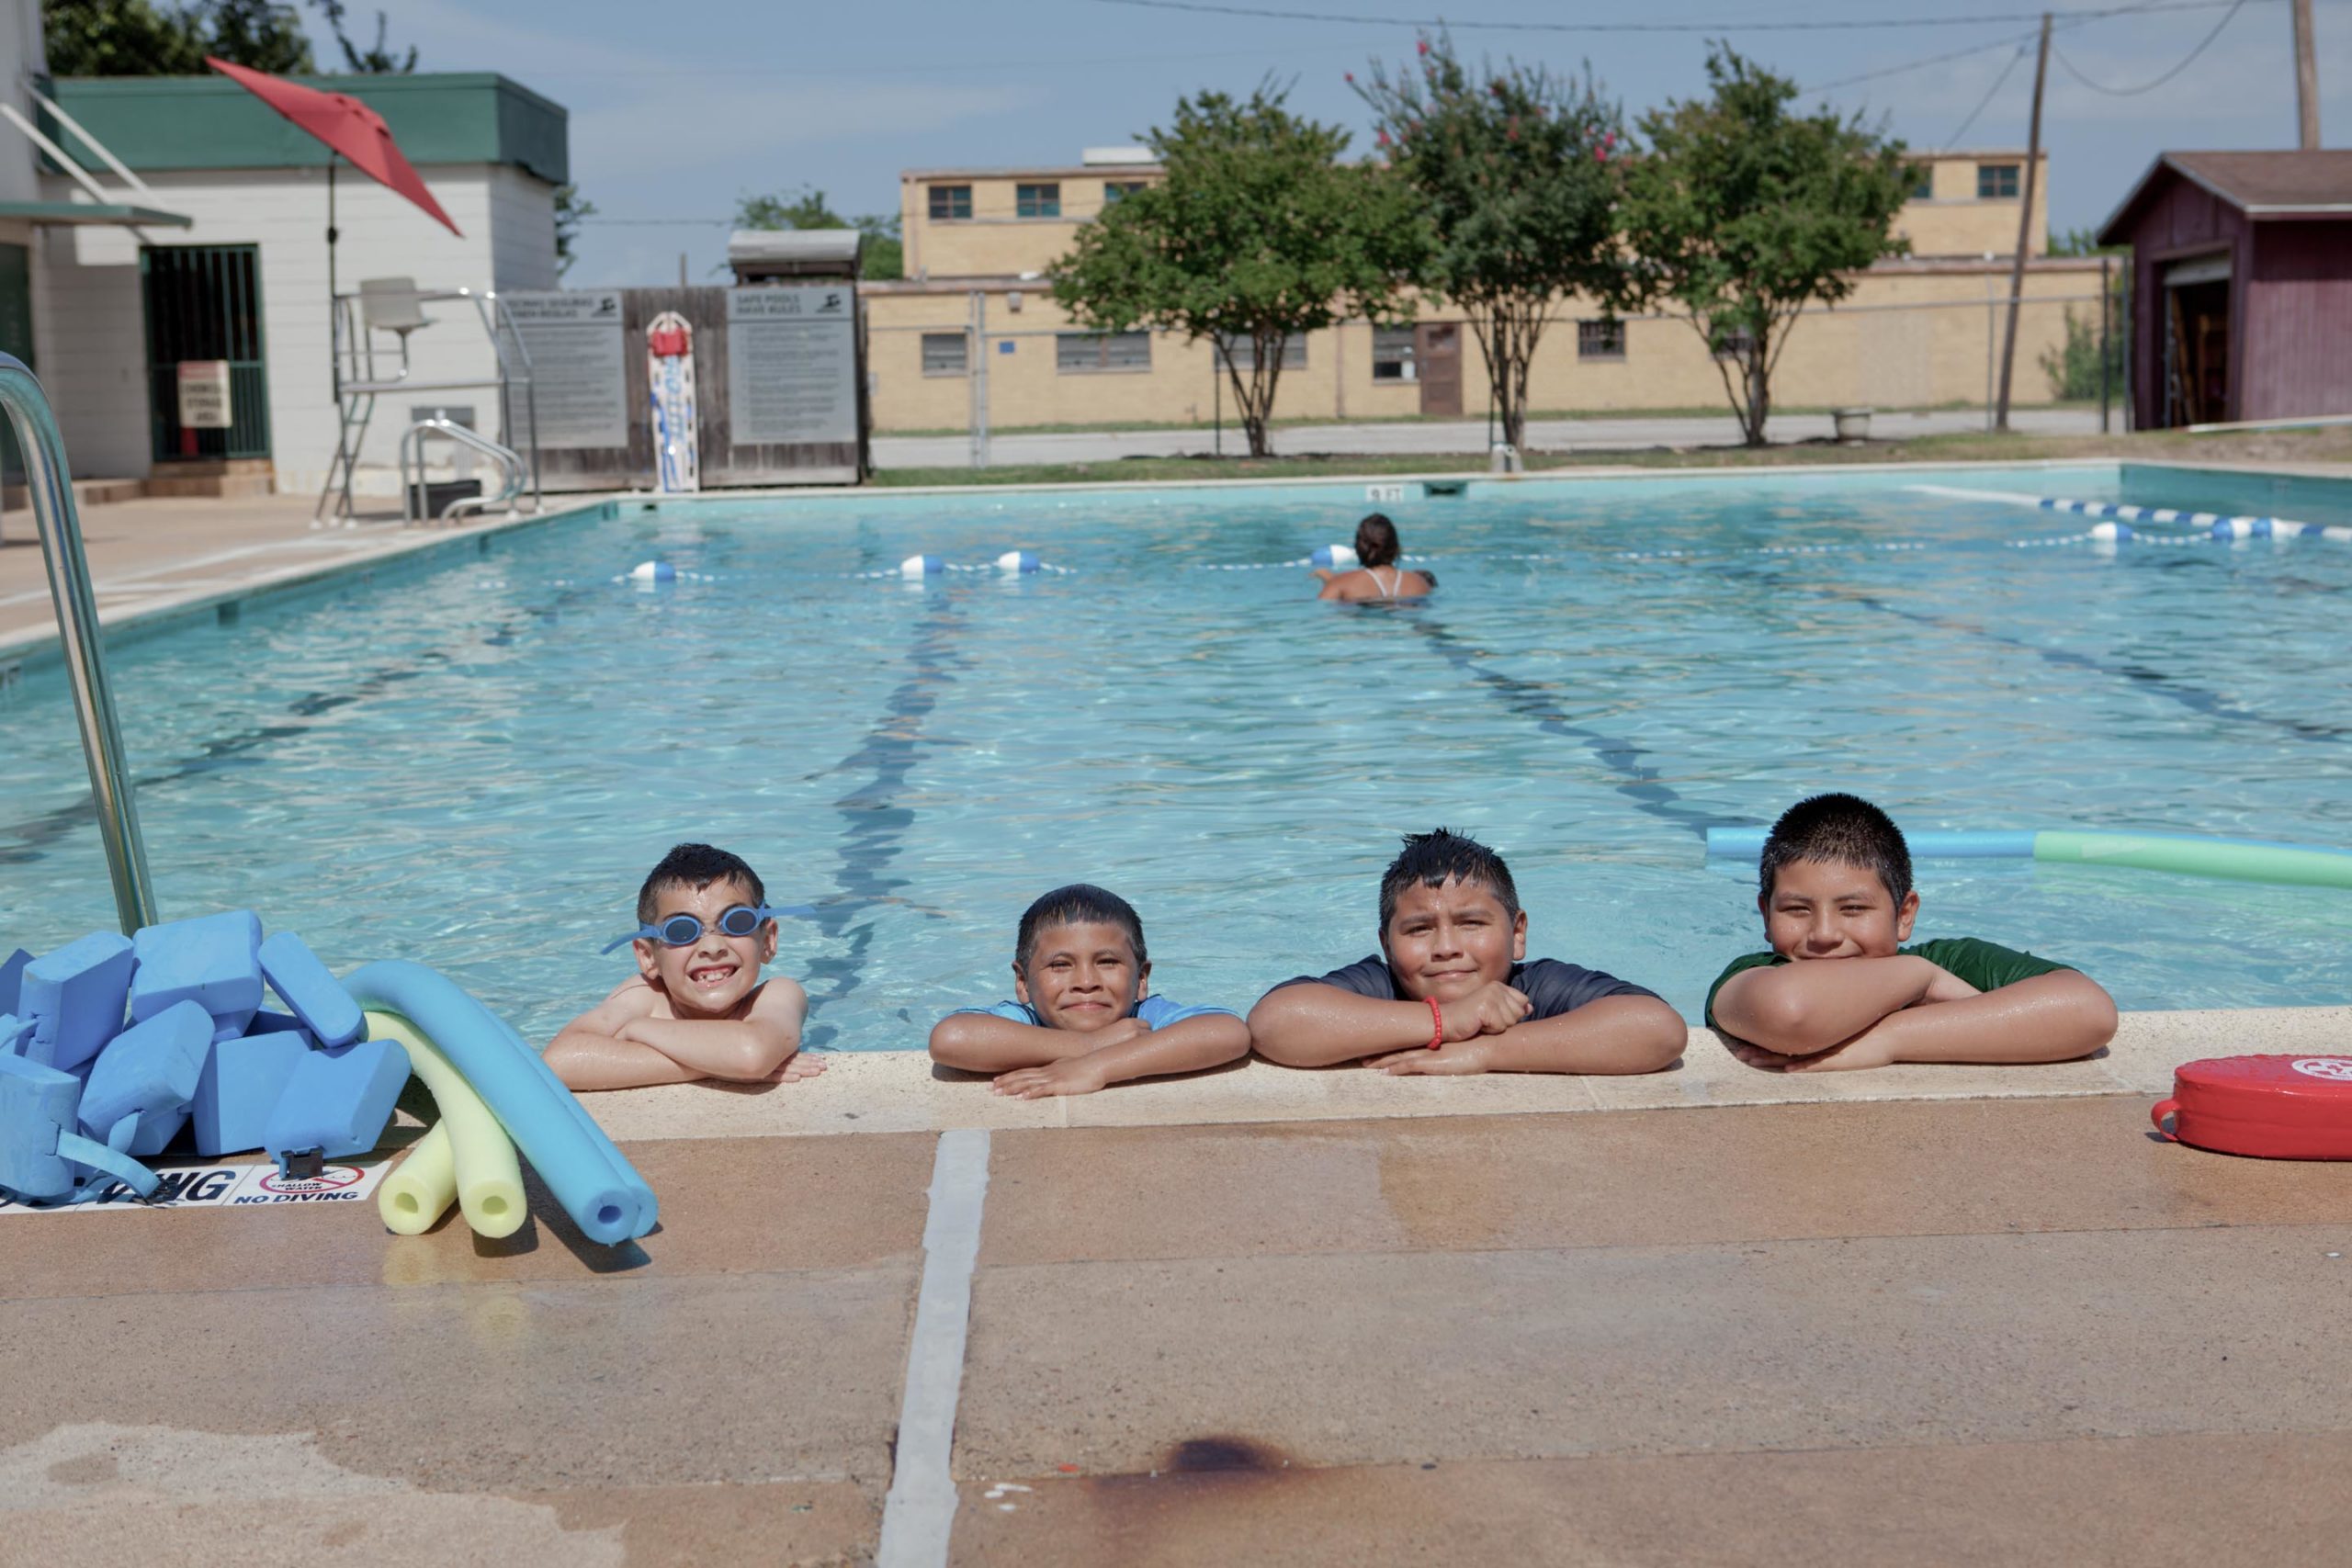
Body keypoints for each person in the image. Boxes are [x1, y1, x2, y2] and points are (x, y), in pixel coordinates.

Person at [1706, 793, 2119, 1073]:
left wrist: (1889, 1040)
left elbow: (2089, 1013)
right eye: (1797, 910)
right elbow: (1792, 1014)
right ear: (1765, 915)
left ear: (1904, 915)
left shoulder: (1951, 961)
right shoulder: (1758, 971)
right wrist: (1919, 979)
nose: (1825, 934)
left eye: (1853, 909)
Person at [1248, 829, 1684, 1075]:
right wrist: (1445, 1021)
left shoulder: (1535, 987)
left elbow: (1656, 1030)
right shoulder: (1382, 987)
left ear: (1517, 933)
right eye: (1419, 929)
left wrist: (1484, 1052)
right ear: (1386, 944)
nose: (1447, 949)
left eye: (1471, 924)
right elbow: (1275, 1024)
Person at [929, 883, 1250, 1098]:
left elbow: (1229, 1033)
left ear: (1141, 979)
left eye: (1108, 962)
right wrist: (1090, 1044)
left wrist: (1098, 1067)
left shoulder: (1144, 1017)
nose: (1086, 982)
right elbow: (952, 1038)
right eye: (1060, 965)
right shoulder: (1025, 1018)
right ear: (1023, 983)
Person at [546, 843, 820, 1091]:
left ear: (768, 940)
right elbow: (559, 1062)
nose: (712, 947)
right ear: (648, 956)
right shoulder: (644, 996)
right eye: (681, 931)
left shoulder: (779, 993)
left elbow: (750, 1054)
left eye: (736, 923)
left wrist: (639, 1029)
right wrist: (722, 1066)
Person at [1314, 513, 1434, 603]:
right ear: (1396, 547)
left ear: (1358, 547)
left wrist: (1331, 580)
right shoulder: (1419, 583)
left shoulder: (1339, 585)